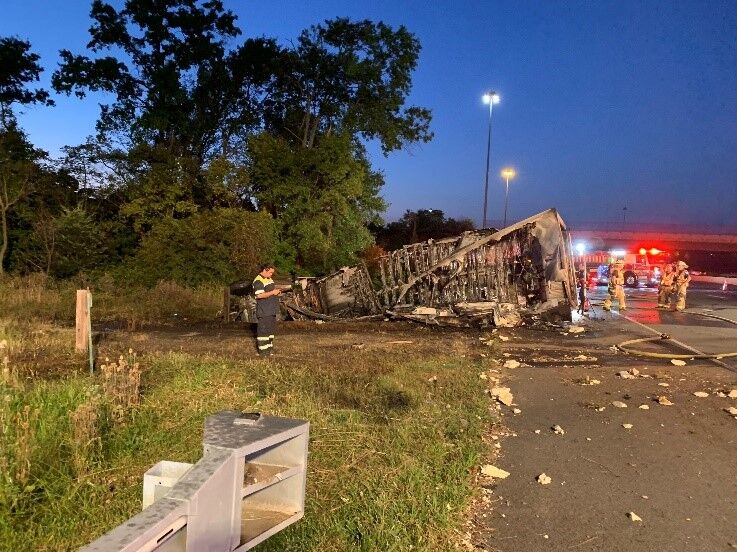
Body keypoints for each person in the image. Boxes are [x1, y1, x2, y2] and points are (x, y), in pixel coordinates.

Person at [252, 263, 282, 356]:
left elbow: (270, 291)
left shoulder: (269, 278)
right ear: (265, 270)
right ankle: (263, 352)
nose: (271, 274)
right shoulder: (258, 280)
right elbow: (259, 295)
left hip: (271, 309)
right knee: (263, 331)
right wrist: (273, 292)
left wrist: (276, 292)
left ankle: (269, 349)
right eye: (270, 272)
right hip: (264, 310)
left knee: (270, 331)